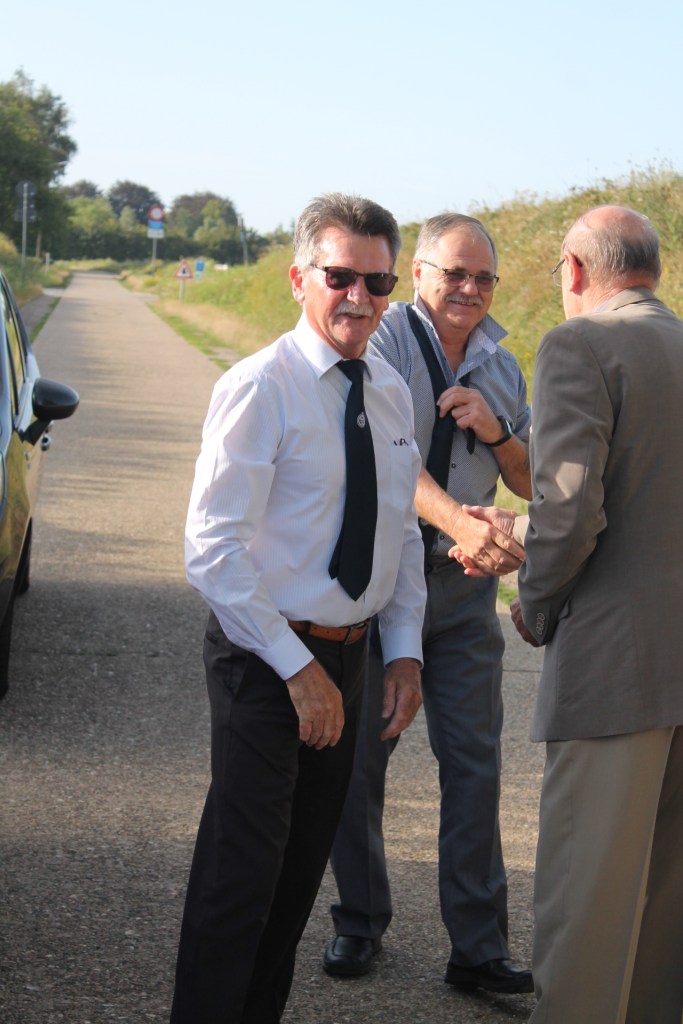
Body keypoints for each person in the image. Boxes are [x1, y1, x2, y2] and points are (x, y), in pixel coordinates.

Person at [170, 193, 427, 1024]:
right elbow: (211, 548)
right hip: (265, 658)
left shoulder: (388, 390)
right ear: (297, 278)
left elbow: (399, 531)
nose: (359, 297)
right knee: (238, 883)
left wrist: (403, 650)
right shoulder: (259, 387)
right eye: (340, 276)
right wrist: (296, 669)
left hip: (348, 658)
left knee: (294, 883)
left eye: (377, 281)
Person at [468, 205, 683, 1023]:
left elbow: (569, 511)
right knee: (663, 913)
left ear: (574, 269)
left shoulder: (580, 344)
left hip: (614, 669)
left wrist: (534, 599)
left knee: (586, 904)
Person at [324, 213, 534, 994]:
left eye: (483, 277)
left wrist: (498, 432)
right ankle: (358, 921)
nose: (469, 289)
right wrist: (457, 521)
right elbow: (384, 458)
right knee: (359, 762)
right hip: (377, 584)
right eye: (454, 273)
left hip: (463, 594)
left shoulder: (502, 366)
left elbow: (527, 479)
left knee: (475, 767)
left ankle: (477, 950)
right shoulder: (379, 342)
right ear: (417, 275)